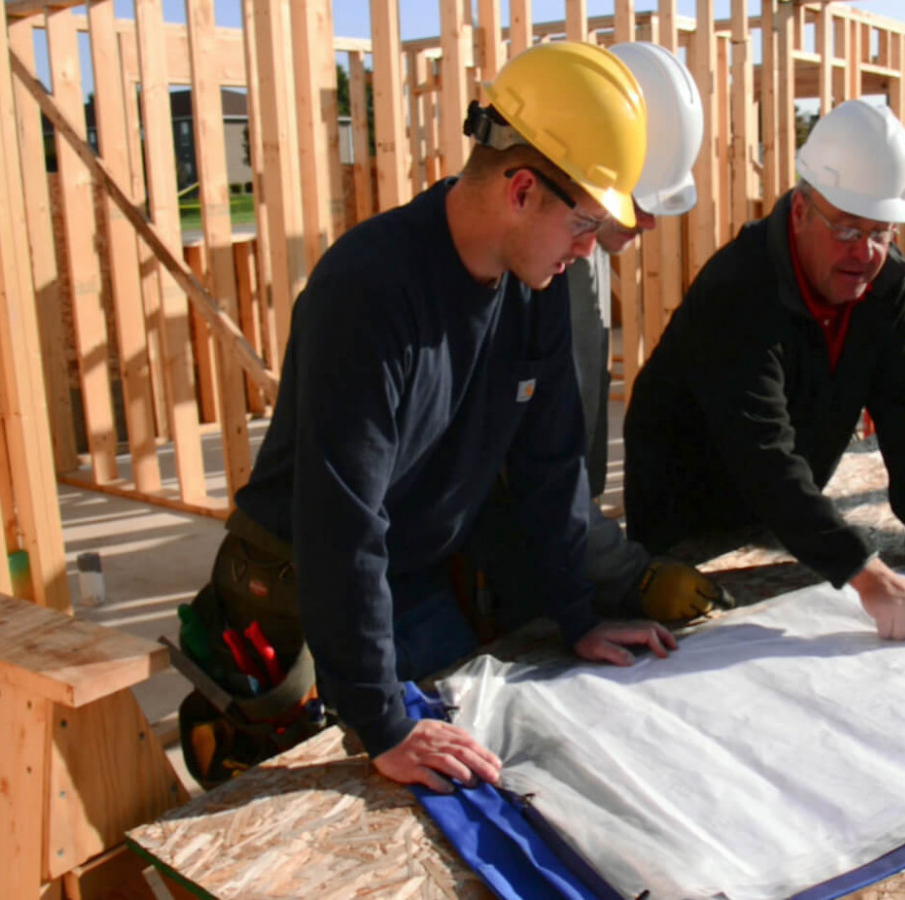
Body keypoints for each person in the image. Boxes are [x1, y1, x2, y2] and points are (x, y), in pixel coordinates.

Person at [227, 42, 677, 795]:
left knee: (493, 759)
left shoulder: (534, 286)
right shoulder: (369, 294)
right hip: (300, 583)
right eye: (585, 223)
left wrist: (579, 612)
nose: (588, 248)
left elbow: (551, 462)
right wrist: (383, 724)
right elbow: (342, 520)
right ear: (523, 189)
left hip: (409, 567)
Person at [622, 98, 905, 646]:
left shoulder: (883, 286)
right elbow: (761, 450)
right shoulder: (738, 289)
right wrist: (864, 574)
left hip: (782, 517)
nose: (865, 253)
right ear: (800, 211)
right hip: (688, 511)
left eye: (881, 231)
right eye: (846, 229)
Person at [467, 41, 729, 624]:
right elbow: (531, 473)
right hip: (499, 579)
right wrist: (626, 577)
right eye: (632, 203)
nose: (651, 223)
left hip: (557, 569)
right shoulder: (534, 266)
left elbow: (565, 464)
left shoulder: (578, 255)